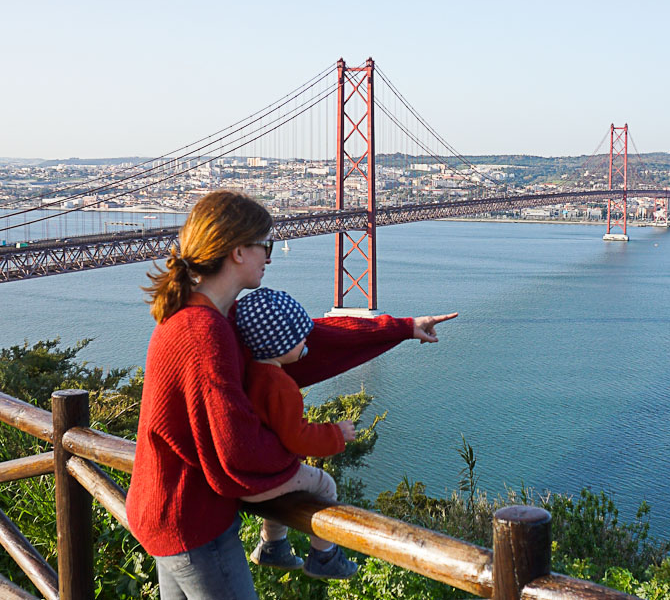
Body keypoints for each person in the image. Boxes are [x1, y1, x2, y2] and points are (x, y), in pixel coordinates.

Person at [126, 190, 455, 599]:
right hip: (193, 522)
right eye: (265, 245)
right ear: (236, 251)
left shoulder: (213, 316)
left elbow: (308, 339)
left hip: (169, 511)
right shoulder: (203, 332)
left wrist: (402, 328)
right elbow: (238, 449)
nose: (270, 257)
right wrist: (307, 444)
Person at [234, 287, 455, 580]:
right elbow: (296, 437)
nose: (306, 343)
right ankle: (324, 557)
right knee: (324, 484)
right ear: (280, 344)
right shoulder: (281, 385)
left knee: (295, 479)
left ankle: (272, 545)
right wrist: (335, 434)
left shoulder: (250, 372)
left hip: (246, 475)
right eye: (300, 338)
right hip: (259, 477)